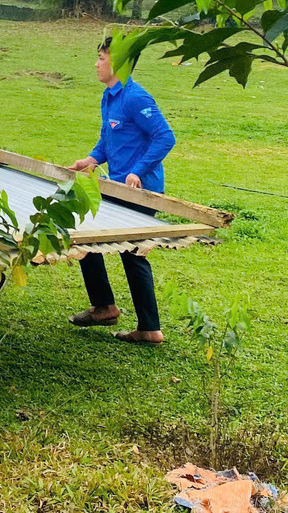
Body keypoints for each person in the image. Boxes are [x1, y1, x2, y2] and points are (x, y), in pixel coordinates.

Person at [65, 35, 177, 345]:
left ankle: (146, 327)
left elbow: (165, 137)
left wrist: (137, 171)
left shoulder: (135, 98)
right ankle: (106, 307)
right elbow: (108, 138)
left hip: (140, 191)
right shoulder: (109, 97)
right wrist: (90, 159)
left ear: (119, 64)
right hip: (116, 188)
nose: (96, 64)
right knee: (86, 234)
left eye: (102, 58)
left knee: (132, 253)